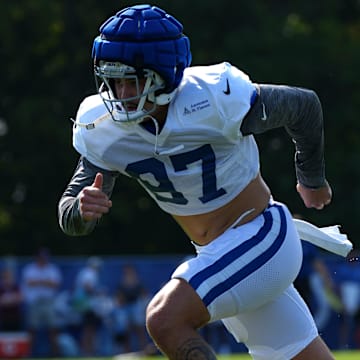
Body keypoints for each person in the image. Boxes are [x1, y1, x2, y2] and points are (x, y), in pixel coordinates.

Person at [58, 4, 335, 359]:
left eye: (133, 80)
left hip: (261, 236)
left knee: (165, 319)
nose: (122, 93)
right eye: (114, 80)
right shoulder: (102, 127)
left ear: (164, 75)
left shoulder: (213, 98)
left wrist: (311, 178)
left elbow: (304, 106)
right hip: (221, 254)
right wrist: (81, 211)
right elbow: (71, 207)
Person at [21, 248, 62, 356]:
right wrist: (45, 281)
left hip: (49, 302)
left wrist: (39, 281)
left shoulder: (52, 268)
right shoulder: (30, 269)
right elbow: (29, 282)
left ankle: (56, 353)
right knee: (32, 329)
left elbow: (55, 284)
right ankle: (28, 353)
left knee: (53, 328)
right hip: (35, 302)